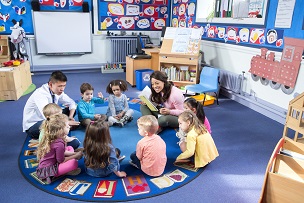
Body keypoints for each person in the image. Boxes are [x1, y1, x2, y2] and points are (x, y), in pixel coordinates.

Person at [23, 71, 79, 139]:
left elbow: (71, 102)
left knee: (71, 111)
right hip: (34, 125)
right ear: (50, 84)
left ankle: (62, 129)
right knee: (53, 124)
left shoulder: (57, 90)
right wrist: (66, 122)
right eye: (60, 86)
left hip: (51, 117)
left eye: (64, 85)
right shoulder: (40, 94)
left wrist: (70, 117)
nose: (62, 89)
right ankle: (63, 129)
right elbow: (48, 117)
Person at [36, 114, 83, 184]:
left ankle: (69, 162)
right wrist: (75, 156)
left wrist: (74, 153)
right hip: (49, 170)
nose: (69, 127)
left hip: (47, 164)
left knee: (69, 148)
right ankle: (66, 171)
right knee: (73, 163)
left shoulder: (53, 137)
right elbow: (61, 160)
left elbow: (63, 152)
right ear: (60, 130)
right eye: (67, 126)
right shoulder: (59, 144)